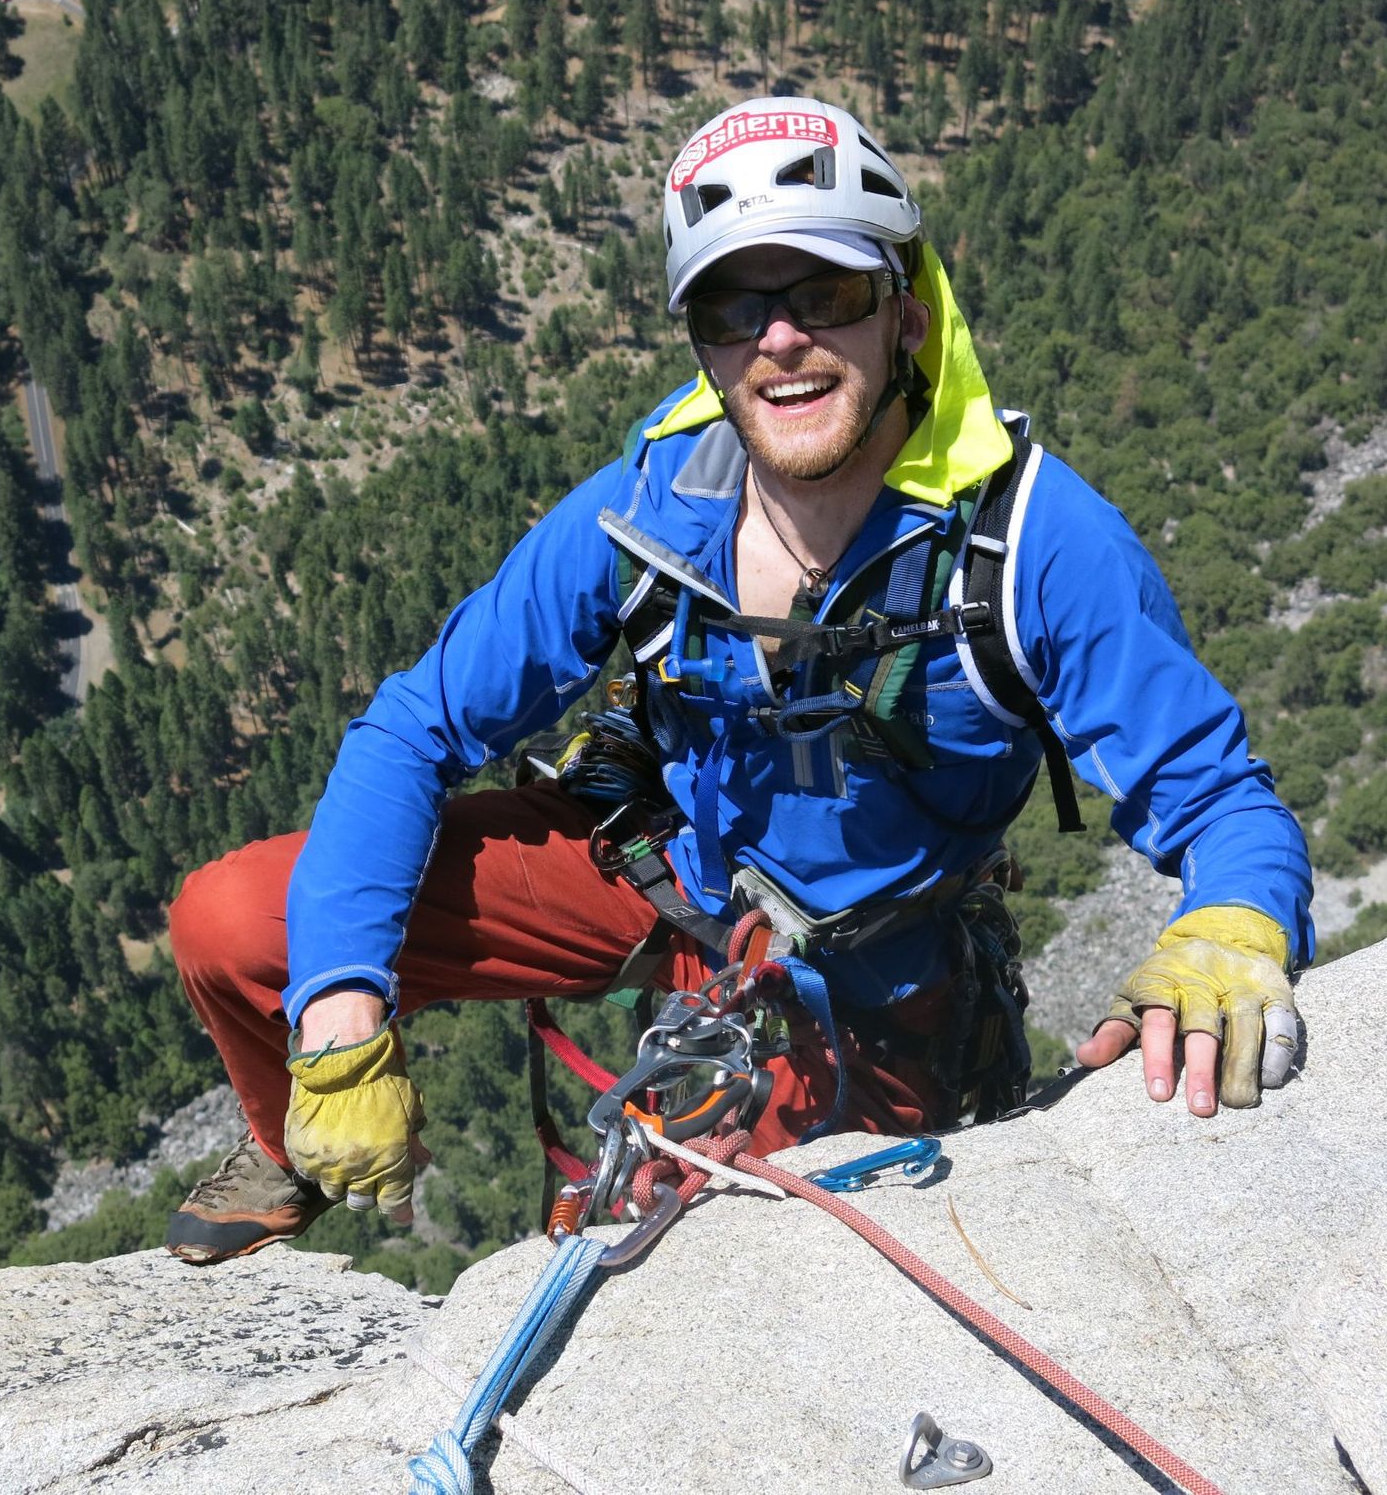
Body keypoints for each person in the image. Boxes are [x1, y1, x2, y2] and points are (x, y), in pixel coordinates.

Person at [162, 97, 1312, 1266]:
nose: (777, 340)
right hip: (656, 872)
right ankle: (287, 1145)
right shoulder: (651, 509)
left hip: (872, 965)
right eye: (731, 308)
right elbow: (413, 726)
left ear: (904, 313)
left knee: (753, 1260)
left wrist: (1231, 923)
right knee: (236, 924)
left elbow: (1220, 801)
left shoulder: (1030, 545)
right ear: (701, 344)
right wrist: (340, 1019)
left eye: (823, 296)